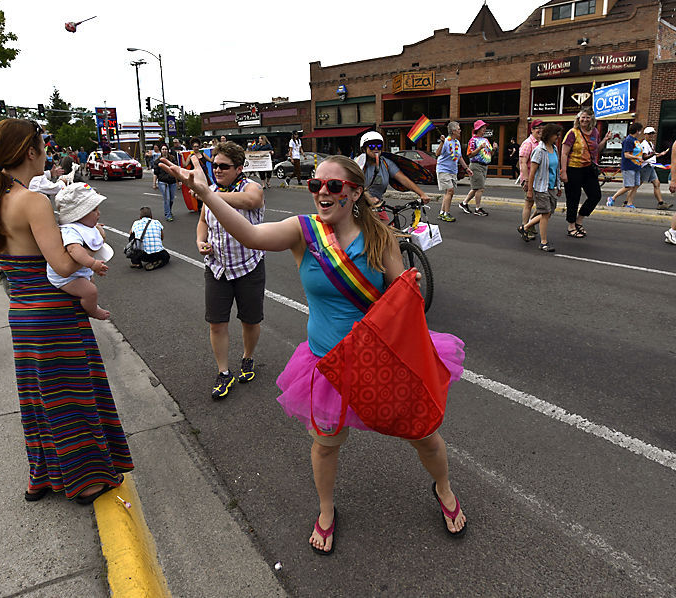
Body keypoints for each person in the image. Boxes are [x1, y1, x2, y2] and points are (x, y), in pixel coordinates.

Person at [160, 153, 467, 553]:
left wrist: (409, 299)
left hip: (378, 361)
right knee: (325, 443)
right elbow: (252, 237)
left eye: (334, 185)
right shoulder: (303, 232)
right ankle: (326, 510)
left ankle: (443, 487)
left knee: (424, 435)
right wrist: (205, 193)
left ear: (355, 192)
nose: (322, 191)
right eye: (316, 184)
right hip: (328, 363)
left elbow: (401, 302)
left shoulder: (380, 238)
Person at [0, 118, 133, 504]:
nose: (46, 152)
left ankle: (43, 476)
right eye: (43, 146)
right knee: (72, 393)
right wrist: (88, 255)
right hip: (54, 313)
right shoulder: (33, 201)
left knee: (38, 395)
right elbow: (61, 267)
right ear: (31, 151)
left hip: (23, 311)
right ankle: (86, 481)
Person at [196, 141, 265, 399]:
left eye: (224, 166)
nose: (217, 170)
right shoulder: (210, 191)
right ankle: (224, 372)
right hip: (217, 268)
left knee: (250, 320)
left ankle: (248, 357)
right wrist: (200, 240)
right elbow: (203, 221)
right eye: (214, 166)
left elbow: (251, 200)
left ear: (238, 168)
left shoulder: (250, 186)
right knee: (216, 323)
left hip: (249, 265)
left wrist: (208, 195)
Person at [46, 183, 111, 319]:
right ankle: (93, 311)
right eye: (94, 210)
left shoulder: (84, 226)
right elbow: (74, 250)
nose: (99, 213)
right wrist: (92, 264)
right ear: (80, 214)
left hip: (79, 272)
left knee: (91, 283)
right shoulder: (71, 230)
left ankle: (92, 304)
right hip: (66, 278)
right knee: (91, 291)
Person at [560, 108, 611, 238]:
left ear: (592, 119)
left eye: (588, 117)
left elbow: (595, 150)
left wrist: (604, 140)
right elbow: (564, 153)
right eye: (583, 117)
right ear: (578, 118)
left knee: (595, 195)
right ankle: (571, 225)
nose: (585, 119)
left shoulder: (595, 132)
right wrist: (563, 171)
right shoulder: (572, 133)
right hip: (573, 169)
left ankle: (579, 220)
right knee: (573, 198)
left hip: (588, 169)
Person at [356, 131, 430, 219]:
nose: (376, 148)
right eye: (371, 146)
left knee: (386, 227)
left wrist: (422, 194)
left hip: (377, 205)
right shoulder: (358, 164)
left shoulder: (386, 163)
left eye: (379, 146)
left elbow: (403, 179)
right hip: (358, 205)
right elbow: (352, 188)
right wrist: (368, 199)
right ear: (364, 149)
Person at [520, 123, 562, 252]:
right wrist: (530, 191)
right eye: (557, 135)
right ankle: (543, 242)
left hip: (551, 187)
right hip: (541, 187)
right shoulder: (539, 150)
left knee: (549, 212)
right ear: (549, 135)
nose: (558, 137)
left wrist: (559, 186)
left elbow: (556, 168)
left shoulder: (554, 149)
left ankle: (525, 227)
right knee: (545, 214)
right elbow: (532, 172)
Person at [435, 121, 473, 222]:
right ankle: (447, 214)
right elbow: (437, 153)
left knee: (448, 192)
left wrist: (466, 168)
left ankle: (442, 213)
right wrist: (442, 142)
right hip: (443, 170)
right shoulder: (446, 141)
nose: (460, 130)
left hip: (453, 171)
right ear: (453, 131)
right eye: (459, 129)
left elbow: (459, 157)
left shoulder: (457, 142)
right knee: (450, 191)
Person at [460, 119, 497, 216]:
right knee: (480, 188)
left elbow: (490, 154)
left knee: (476, 188)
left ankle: (464, 203)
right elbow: (470, 155)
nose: (485, 129)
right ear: (478, 129)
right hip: (476, 165)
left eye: (485, 127)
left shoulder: (485, 140)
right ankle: (477, 208)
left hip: (484, 166)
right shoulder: (473, 140)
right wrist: (480, 148)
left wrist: (494, 149)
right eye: (483, 127)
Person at [605, 122, 644, 208]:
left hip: (636, 166)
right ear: (637, 131)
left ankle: (629, 203)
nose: (641, 132)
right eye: (641, 130)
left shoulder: (636, 140)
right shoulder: (628, 140)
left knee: (636, 185)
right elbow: (626, 155)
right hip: (628, 167)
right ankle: (612, 198)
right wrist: (637, 158)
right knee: (629, 186)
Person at [518, 120, 544, 241]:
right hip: (530, 179)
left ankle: (531, 224)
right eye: (537, 128)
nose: (540, 130)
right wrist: (526, 180)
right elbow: (523, 162)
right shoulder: (528, 143)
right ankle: (525, 228)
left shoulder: (541, 143)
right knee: (529, 203)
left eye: (542, 128)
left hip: (540, 180)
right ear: (532, 129)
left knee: (541, 205)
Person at [635, 127, 670, 210]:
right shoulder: (644, 144)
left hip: (651, 166)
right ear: (645, 134)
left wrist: (661, 154)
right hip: (646, 166)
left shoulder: (651, 144)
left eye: (652, 133)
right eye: (649, 133)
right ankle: (626, 202)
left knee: (656, 183)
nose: (651, 135)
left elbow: (652, 156)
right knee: (636, 185)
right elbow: (644, 157)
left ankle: (661, 203)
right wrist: (653, 154)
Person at [153, 145, 177, 221]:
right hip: (163, 182)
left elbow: (176, 170)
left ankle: (169, 210)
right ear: (161, 151)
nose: (164, 150)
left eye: (166, 149)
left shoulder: (172, 159)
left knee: (172, 199)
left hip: (172, 181)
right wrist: (154, 183)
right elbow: (155, 173)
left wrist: (178, 181)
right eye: (163, 149)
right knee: (167, 198)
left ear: (168, 150)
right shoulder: (157, 161)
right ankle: (168, 214)